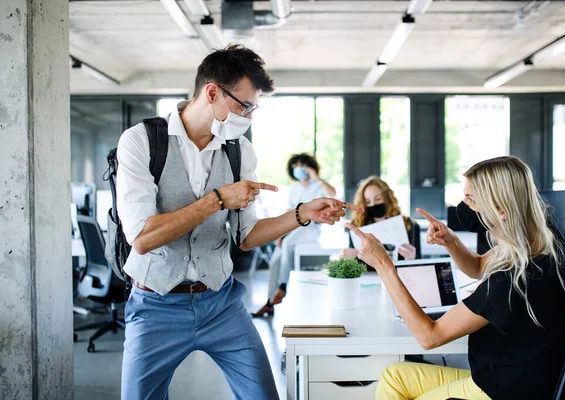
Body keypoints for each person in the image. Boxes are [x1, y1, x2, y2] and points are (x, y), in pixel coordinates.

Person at [117, 45, 358, 400]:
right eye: (244, 106)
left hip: (221, 303)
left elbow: (247, 237)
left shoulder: (238, 150)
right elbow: (142, 238)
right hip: (155, 307)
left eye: (253, 108)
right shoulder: (142, 141)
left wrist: (301, 214)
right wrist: (217, 200)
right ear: (212, 91)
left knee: (263, 395)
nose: (248, 117)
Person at [347, 156, 565, 400]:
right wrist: (452, 242)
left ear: (501, 209)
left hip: (501, 390)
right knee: (394, 377)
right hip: (512, 377)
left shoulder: (514, 278)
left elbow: (430, 336)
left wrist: (383, 264)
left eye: (471, 199)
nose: (462, 205)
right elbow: (477, 267)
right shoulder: (541, 241)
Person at [253, 153, 336, 317]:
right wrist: (280, 231)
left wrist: (317, 178)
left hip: (310, 229)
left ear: (309, 167)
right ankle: (269, 303)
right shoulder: (295, 188)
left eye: (302, 166)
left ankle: (283, 286)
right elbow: (290, 210)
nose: (299, 169)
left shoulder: (318, 185)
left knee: (288, 244)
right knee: (275, 260)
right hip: (293, 227)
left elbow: (332, 194)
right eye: (296, 166)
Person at [340, 176, 420, 267]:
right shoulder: (357, 224)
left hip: (399, 278)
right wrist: (347, 259)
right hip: (368, 278)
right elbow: (353, 266)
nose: (373, 204)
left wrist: (412, 258)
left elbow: (419, 265)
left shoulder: (410, 225)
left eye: (378, 199)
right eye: (368, 202)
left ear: (387, 198)